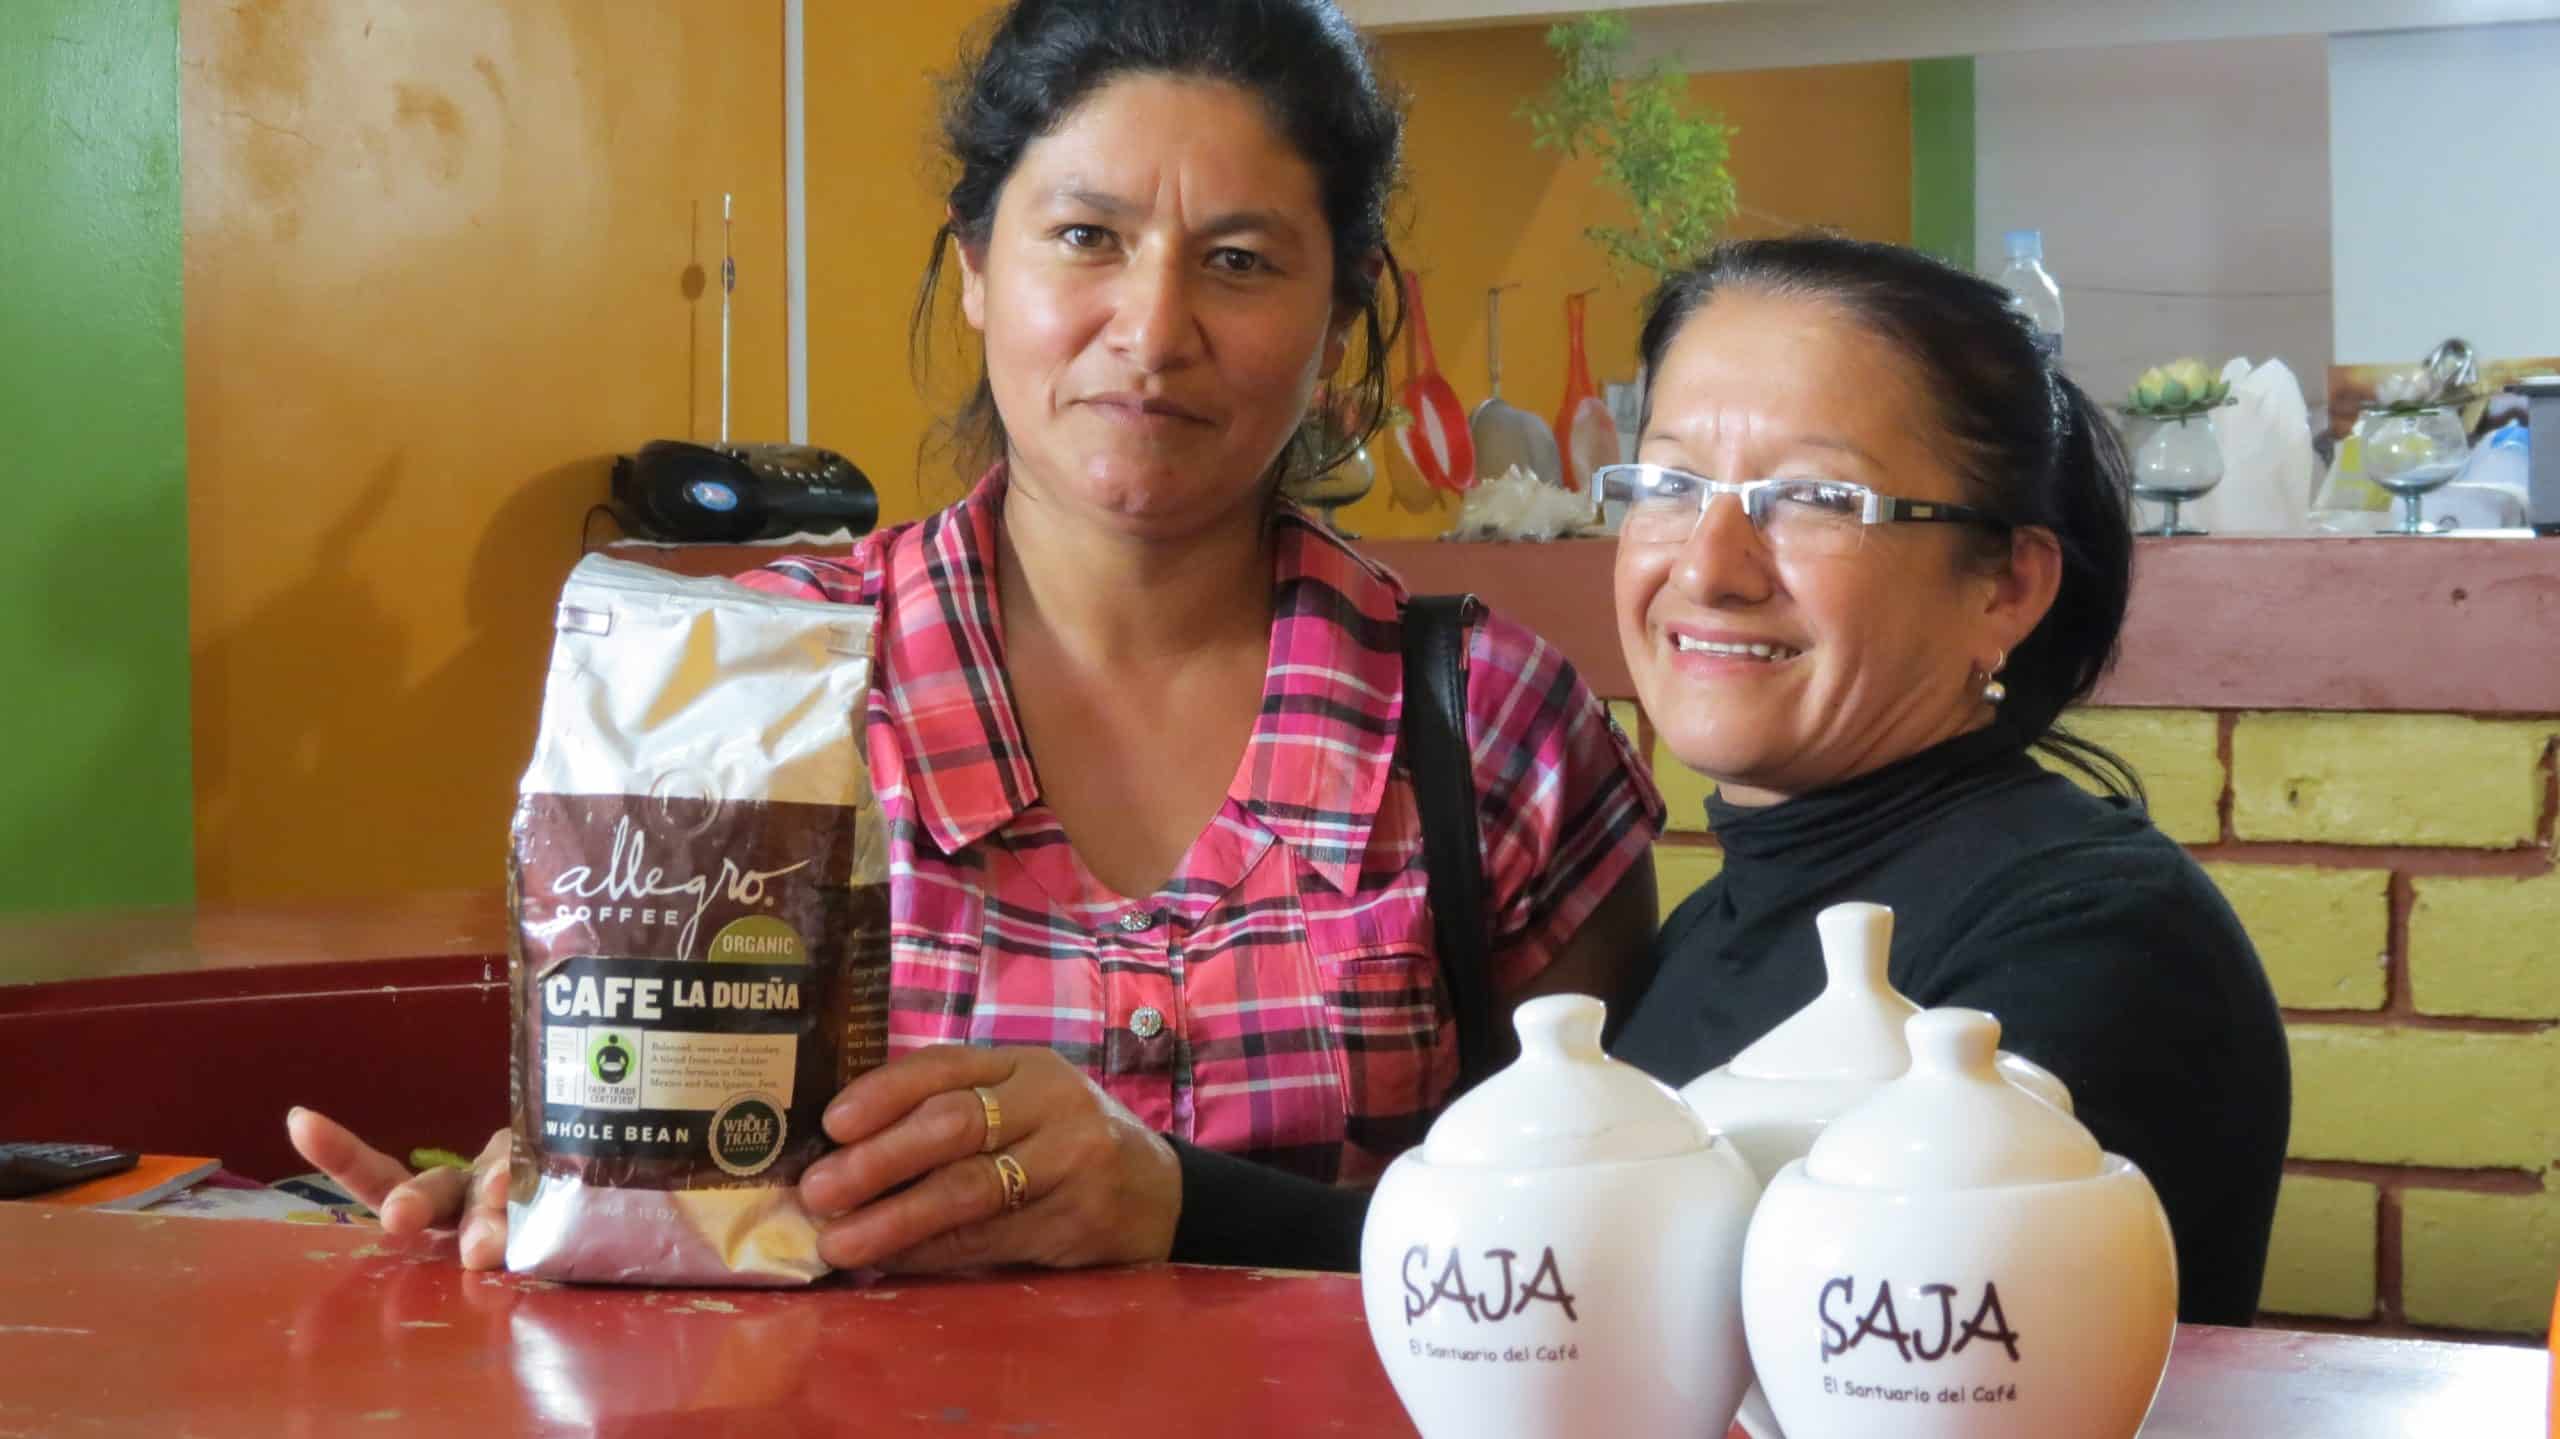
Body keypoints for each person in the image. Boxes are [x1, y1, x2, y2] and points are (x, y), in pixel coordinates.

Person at [286, 0, 1661, 1277]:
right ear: (977, 270)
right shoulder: (745, 691)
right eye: (1086, 238)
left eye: (1238, 262)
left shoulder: (1491, 726)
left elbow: (1611, 1256)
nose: (1153, 328)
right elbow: (665, 1161)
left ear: (1339, 311)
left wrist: (1191, 1205)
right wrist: (560, 1178)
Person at [1599, 235, 2289, 1327]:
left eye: (1814, 496)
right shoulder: (1706, 924)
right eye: (1671, 483)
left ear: (2005, 586)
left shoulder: (2089, 935)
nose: (1706, 566)